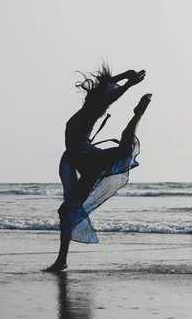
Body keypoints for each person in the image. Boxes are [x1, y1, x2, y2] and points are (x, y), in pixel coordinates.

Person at [45, 64, 152, 272]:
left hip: (88, 158)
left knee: (124, 149)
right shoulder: (89, 107)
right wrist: (122, 77)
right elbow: (104, 87)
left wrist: (128, 84)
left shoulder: (95, 107)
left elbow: (109, 96)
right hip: (83, 163)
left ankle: (137, 114)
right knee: (67, 211)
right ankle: (61, 261)